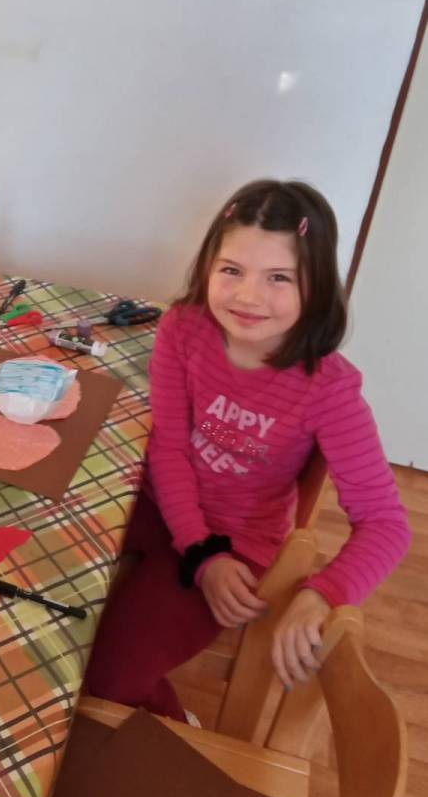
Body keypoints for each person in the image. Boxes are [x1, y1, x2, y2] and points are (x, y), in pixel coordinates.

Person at [85, 179, 410, 720]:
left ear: (316, 286)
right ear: (208, 266)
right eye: (232, 270)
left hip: (235, 547)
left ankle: (176, 732)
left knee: (109, 681)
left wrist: (321, 593)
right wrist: (195, 545)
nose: (248, 296)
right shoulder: (182, 328)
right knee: (41, 568)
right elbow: (168, 448)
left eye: (278, 277)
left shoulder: (329, 389)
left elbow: (386, 523)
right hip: (162, 504)